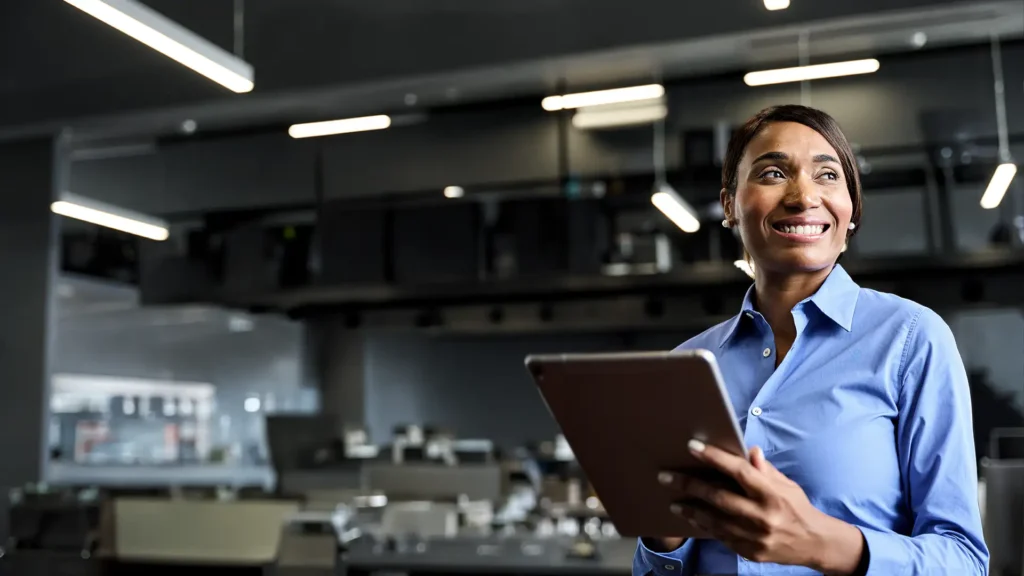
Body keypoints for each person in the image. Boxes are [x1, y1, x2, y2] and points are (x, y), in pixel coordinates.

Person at [633, 105, 988, 576]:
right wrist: (665, 536)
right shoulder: (686, 364)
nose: (803, 197)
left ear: (851, 211)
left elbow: (964, 561)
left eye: (827, 175)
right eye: (774, 173)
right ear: (729, 205)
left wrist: (820, 543)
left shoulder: (911, 339)